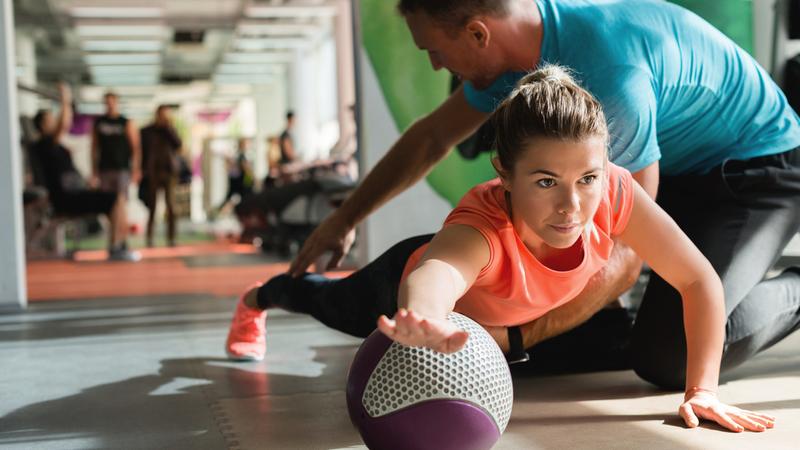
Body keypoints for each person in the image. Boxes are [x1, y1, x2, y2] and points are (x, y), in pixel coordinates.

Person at [227, 67, 785, 432]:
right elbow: (441, 270)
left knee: (626, 346)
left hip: (524, 318)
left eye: (586, 177)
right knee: (321, 298)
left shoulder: (612, 189)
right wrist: (422, 315)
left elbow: (697, 279)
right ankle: (259, 298)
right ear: (505, 176)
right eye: (545, 182)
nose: (572, 205)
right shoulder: (482, 225)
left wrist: (703, 389)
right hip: (415, 298)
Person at [289, 0, 800, 389]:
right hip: (682, 164)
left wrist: (511, 342)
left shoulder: (608, 81)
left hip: (760, 169)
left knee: (670, 356)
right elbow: (430, 138)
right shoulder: (520, 64)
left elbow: (622, 259)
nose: (436, 67)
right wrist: (343, 219)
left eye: (435, 51)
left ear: (477, 33)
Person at [31, 83, 140, 261]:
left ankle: (118, 245)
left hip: (77, 191)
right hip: (66, 198)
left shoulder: (54, 146)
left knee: (118, 200)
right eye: (50, 120)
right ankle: (116, 247)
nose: (54, 122)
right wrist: (65, 99)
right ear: (42, 126)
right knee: (115, 200)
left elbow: (135, 147)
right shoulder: (44, 144)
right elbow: (65, 123)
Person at [91, 91, 141, 252]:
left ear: (117, 102)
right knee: (108, 206)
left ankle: (121, 239)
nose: (110, 104)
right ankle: (114, 237)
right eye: (107, 102)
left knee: (121, 205)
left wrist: (136, 169)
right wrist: (94, 171)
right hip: (104, 169)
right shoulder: (99, 123)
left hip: (122, 170)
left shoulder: (125, 122)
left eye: (112, 101)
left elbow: (135, 148)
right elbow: (94, 148)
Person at [140, 105, 182, 247]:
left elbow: (178, 145)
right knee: (152, 206)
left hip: (169, 172)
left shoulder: (170, 131)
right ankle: (149, 238)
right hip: (152, 172)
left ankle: (171, 238)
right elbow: (142, 152)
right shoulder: (146, 131)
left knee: (171, 206)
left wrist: (168, 128)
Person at [215, 138, 254, 215]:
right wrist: (252, 178)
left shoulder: (238, 154)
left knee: (232, 197)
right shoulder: (241, 155)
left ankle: (219, 211)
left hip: (237, 180)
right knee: (243, 197)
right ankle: (220, 211)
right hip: (241, 181)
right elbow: (245, 169)